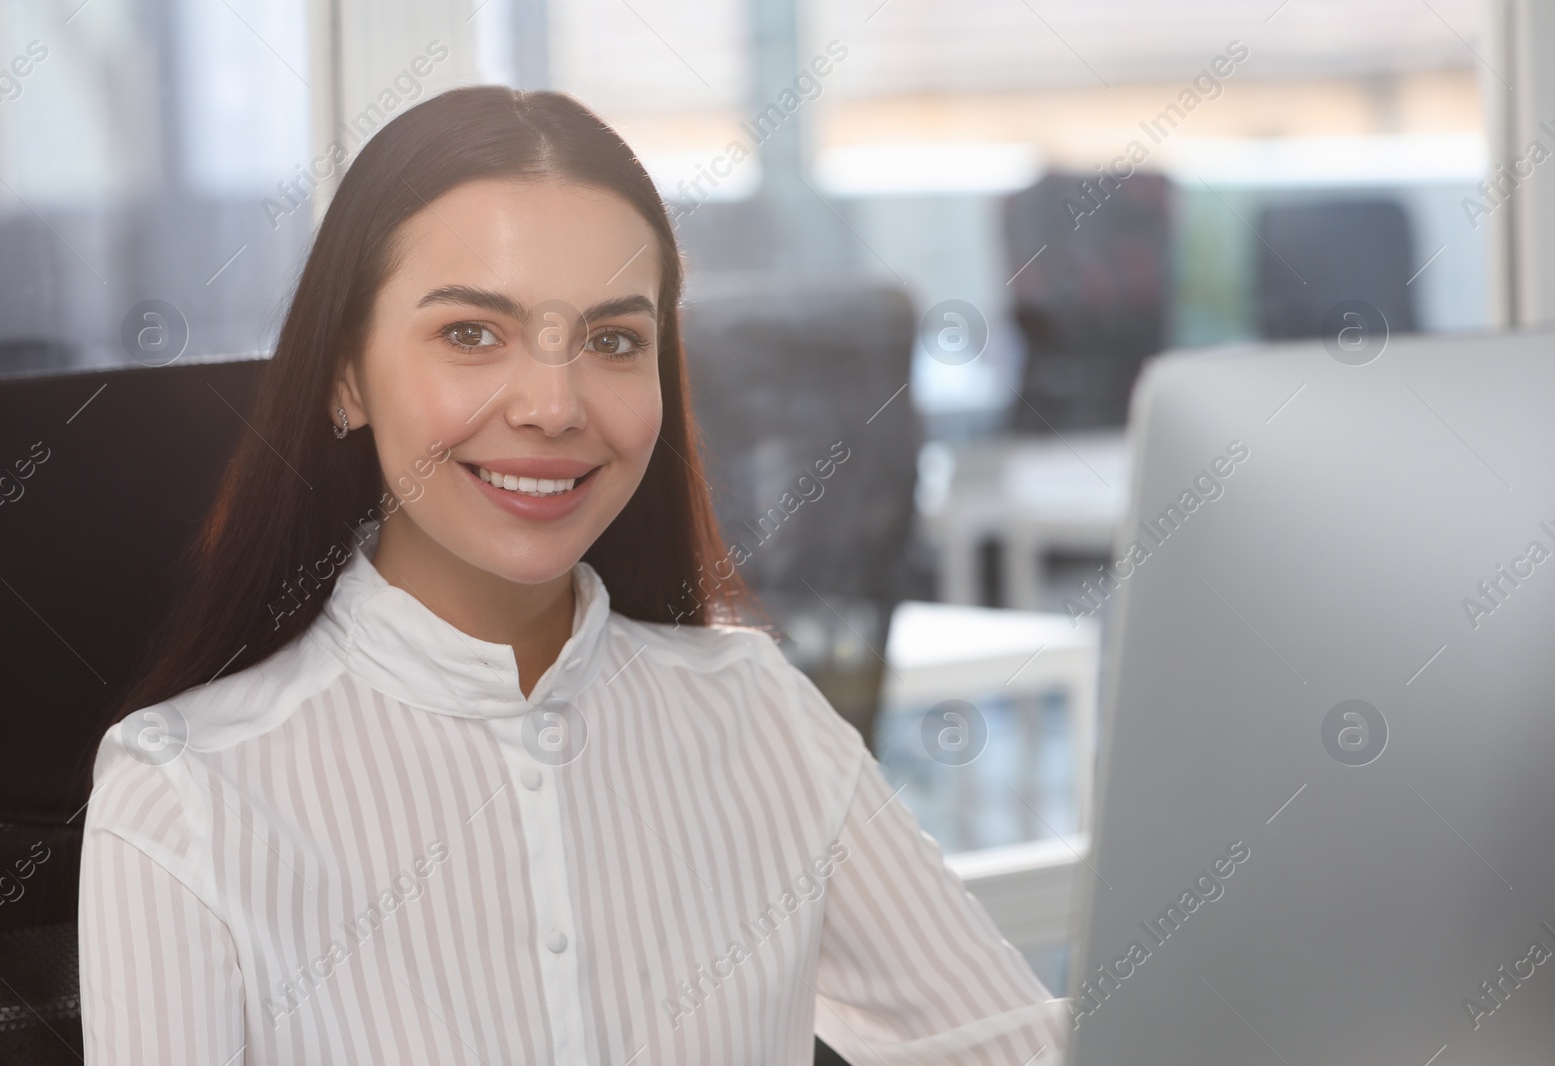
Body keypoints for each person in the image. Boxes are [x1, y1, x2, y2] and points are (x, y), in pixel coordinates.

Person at [76, 85, 1068, 1065]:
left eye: (611, 340)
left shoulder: (760, 719)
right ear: (346, 375)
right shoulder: (186, 795)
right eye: (471, 333)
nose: (553, 405)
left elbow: (1014, 1048)